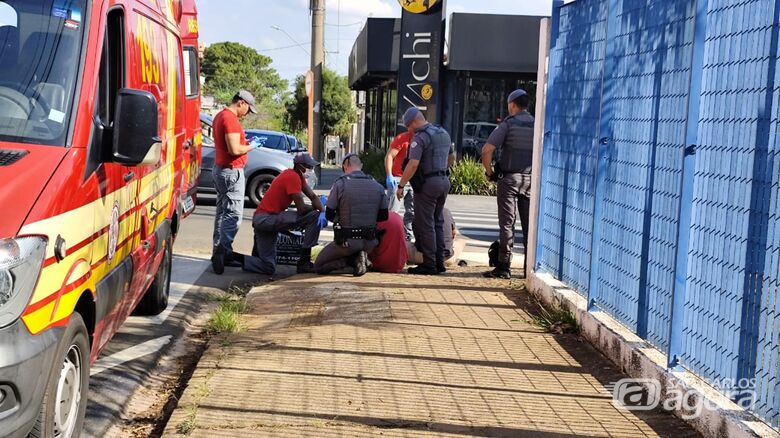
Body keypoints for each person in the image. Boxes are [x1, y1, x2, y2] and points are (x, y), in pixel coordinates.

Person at [481, 89, 534, 279]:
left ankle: (503, 266)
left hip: (509, 180)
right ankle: (530, 268)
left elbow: (486, 150)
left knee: (507, 223)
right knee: (530, 226)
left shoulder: (508, 125)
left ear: (512, 104)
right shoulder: (537, 124)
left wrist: (490, 173)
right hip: (530, 180)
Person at [396, 107, 455, 275]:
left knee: (426, 223)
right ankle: (439, 262)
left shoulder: (421, 137)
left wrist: (401, 185)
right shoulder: (443, 132)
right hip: (444, 181)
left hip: (427, 184)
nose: (408, 130)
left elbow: (413, 164)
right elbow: (452, 158)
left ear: (414, 122)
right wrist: (441, 169)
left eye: (408, 126)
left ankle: (429, 264)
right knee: (438, 221)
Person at [243, 154, 324, 275]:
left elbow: (312, 196)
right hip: (267, 219)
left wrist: (322, 209)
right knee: (313, 216)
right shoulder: (292, 177)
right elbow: (301, 209)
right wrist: (316, 209)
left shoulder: (296, 175)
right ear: (299, 166)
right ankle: (304, 262)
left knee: (268, 267)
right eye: (308, 166)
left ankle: (232, 257)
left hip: (263, 220)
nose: (310, 169)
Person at [315, 154, 388, 276]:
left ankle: (350, 260)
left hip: (347, 242)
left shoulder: (340, 184)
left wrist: (340, 220)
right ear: (362, 166)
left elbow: (329, 214)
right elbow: (384, 216)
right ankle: (361, 255)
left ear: (345, 166)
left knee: (319, 265)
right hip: (370, 242)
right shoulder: (378, 186)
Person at [211, 90, 258, 275]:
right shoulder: (229, 119)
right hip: (231, 171)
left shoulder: (219, 116)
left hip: (222, 169)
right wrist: (252, 146)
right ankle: (223, 252)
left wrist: (247, 142)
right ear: (241, 103)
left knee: (222, 212)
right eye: (248, 109)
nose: (247, 114)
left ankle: (218, 251)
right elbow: (234, 149)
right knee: (233, 215)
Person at [385, 127, 415, 240]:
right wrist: (389, 175)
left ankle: (408, 235)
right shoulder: (402, 138)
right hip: (398, 178)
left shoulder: (423, 139)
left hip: (414, 179)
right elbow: (389, 156)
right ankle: (388, 236)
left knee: (411, 211)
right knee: (392, 211)